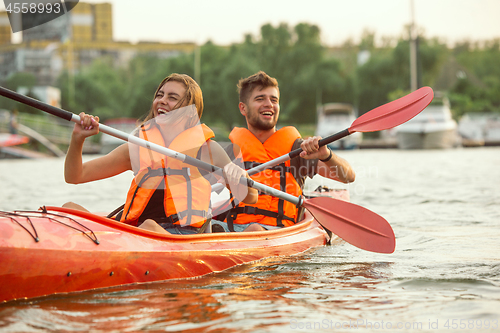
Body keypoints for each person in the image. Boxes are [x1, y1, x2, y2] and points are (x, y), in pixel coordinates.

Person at [63, 73, 257, 234]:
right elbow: (75, 176)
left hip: (182, 236)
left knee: (149, 227)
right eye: (160, 95)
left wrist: (239, 175)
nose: (162, 101)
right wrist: (78, 139)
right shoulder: (139, 147)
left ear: (190, 111)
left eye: (172, 98)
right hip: (137, 231)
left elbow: (250, 198)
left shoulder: (206, 150)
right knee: (69, 209)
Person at [222, 71, 355, 232]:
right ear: (243, 108)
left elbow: (348, 176)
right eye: (260, 98)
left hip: (277, 231)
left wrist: (326, 155)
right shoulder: (228, 152)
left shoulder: (298, 150)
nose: (269, 104)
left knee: (255, 229)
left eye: (274, 100)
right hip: (231, 229)